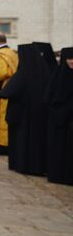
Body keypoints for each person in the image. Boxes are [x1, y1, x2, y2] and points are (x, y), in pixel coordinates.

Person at [0, 43, 56, 176]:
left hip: (22, 115)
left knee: (22, 141)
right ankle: (37, 167)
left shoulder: (23, 73)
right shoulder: (46, 73)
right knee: (37, 142)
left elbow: (6, 92)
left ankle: (22, 165)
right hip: (40, 116)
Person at [45, 47, 73, 186]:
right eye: (69, 59)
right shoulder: (57, 76)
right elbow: (49, 97)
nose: (72, 62)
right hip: (58, 120)